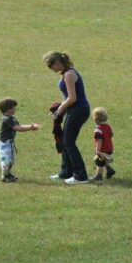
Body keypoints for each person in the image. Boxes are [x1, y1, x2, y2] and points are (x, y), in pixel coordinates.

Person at [44, 50, 91, 184]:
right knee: (65, 140)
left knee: (69, 142)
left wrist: (61, 107)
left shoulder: (69, 74)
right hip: (74, 110)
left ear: (58, 63)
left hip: (78, 110)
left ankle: (81, 176)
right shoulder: (67, 72)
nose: (51, 68)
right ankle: (66, 172)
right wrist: (61, 108)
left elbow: (72, 98)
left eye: (51, 65)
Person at [0, 98, 43, 182]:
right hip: (5, 144)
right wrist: (31, 127)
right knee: (6, 161)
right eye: (14, 107)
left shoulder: (11, 118)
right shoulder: (6, 119)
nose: (15, 109)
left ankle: (8, 175)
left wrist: (31, 126)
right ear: (8, 109)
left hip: (9, 143)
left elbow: (19, 125)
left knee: (10, 160)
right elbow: (17, 128)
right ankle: (5, 176)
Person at [93, 108, 116, 180]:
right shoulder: (108, 126)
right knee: (104, 160)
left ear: (96, 119)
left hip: (102, 149)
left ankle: (98, 176)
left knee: (99, 162)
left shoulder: (98, 129)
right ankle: (109, 170)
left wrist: (98, 150)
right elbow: (111, 135)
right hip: (109, 148)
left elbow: (99, 140)